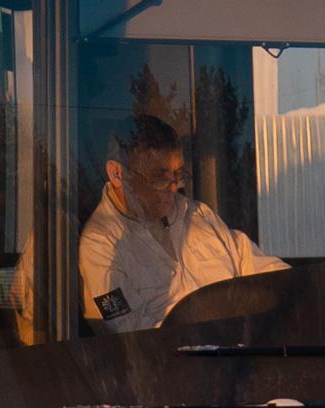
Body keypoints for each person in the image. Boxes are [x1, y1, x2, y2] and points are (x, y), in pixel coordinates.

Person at [77, 114, 280, 330]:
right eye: (159, 178)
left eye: (178, 175)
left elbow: (259, 268)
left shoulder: (197, 215)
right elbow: (128, 333)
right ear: (117, 173)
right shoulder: (100, 246)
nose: (174, 187)